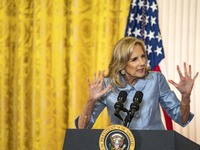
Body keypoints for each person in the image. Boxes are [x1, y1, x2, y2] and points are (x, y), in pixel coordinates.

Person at [75, 36, 199, 130]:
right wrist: (90, 101)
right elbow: (82, 128)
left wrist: (186, 97)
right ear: (122, 63)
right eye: (134, 59)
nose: (142, 62)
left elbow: (182, 118)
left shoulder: (156, 80)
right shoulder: (107, 85)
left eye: (143, 56)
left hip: (156, 145)